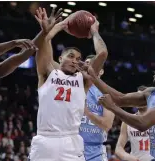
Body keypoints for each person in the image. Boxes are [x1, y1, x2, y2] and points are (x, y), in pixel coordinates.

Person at [28, 7, 108, 161]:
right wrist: (53, 29)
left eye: (78, 58)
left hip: (71, 142)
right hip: (45, 139)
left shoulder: (83, 81)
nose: (75, 60)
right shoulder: (47, 73)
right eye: (70, 56)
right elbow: (43, 44)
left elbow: (103, 53)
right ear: (59, 58)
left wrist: (94, 32)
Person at [86, 58, 155, 161]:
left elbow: (143, 123)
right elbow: (119, 99)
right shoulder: (151, 93)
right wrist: (94, 77)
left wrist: (112, 107)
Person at [79, 55, 115, 161]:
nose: (88, 67)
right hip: (71, 147)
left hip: (95, 150)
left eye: (93, 65)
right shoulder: (73, 87)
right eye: (86, 64)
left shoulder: (106, 93)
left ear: (101, 71)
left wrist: (86, 111)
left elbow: (107, 125)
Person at [115, 86, 154, 161]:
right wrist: (126, 156)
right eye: (136, 97)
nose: (138, 100)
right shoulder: (127, 121)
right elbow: (118, 148)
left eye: (141, 97)